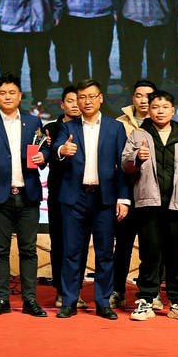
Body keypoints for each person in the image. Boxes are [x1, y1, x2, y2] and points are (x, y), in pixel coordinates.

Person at [121, 91, 178, 323]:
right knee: (150, 254)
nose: (160, 111)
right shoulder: (138, 135)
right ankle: (146, 299)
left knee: (176, 255)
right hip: (149, 204)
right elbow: (125, 164)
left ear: (173, 110)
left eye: (165, 107)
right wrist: (137, 157)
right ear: (148, 110)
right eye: (155, 107)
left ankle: (177, 302)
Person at [52, 79, 130, 319]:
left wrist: (123, 198)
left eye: (91, 96)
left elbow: (123, 166)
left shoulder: (115, 128)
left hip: (104, 199)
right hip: (74, 199)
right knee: (71, 252)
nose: (86, 101)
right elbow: (56, 148)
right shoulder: (68, 127)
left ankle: (103, 302)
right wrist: (62, 151)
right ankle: (69, 301)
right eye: (82, 97)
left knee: (105, 252)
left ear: (101, 98)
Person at [0, 73, 49, 317]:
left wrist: (44, 156)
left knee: (28, 250)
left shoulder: (33, 122)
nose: (7, 97)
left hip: (28, 194)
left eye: (12, 92)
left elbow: (43, 150)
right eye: (2, 93)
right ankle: (2, 299)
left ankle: (30, 300)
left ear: (20, 96)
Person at [111, 79, 156, 309]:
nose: (144, 100)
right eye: (139, 95)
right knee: (123, 246)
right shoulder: (119, 124)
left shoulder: (163, 124)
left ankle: (150, 294)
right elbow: (115, 162)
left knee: (151, 248)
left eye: (149, 96)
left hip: (152, 195)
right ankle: (118, 290)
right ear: (133, 98)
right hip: (126, 194)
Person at [45, 85, 81, 307]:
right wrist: (52, 149)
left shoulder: (89, 127)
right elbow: (39, 158)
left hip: (84, 194)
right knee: (59, 242)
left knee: (78, 244)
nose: (76, 104)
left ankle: (75, 290)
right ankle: (60, 290)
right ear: (62, 104)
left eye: (79, 100)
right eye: (70, 100)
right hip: (58, 194)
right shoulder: (51, 128)